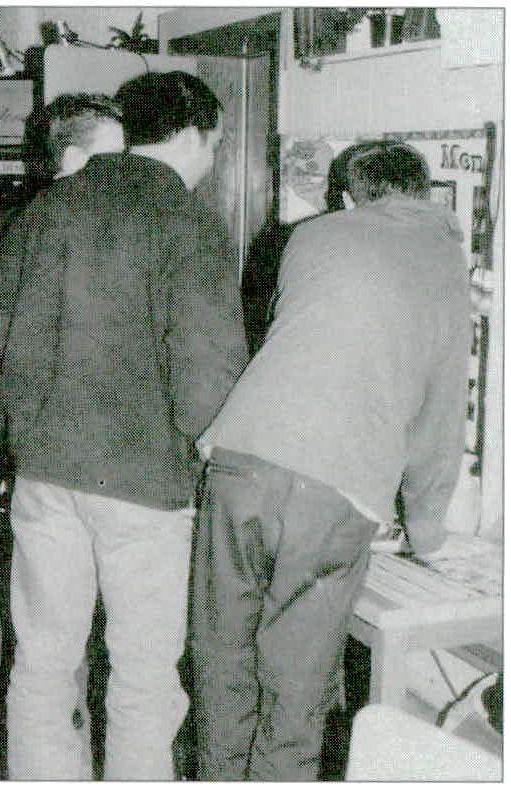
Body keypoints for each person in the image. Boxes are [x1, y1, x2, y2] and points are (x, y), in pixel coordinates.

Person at [0, 71, 247, 780]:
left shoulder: (52, 205)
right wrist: (203, 451)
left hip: (45, 472)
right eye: (215, 143)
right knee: (144, 676)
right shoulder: (187, 220)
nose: (212, 159)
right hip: (144, 485)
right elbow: (210, 370)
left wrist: (22, 426)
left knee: (41, 662)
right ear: (194, 135)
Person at [191, 141, 470, 780]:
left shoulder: (311, 237)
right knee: (296, 679)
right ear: (425, 192)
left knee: (222, 656)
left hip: (238, 457)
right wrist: (427, 529)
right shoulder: (443, 257)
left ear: (347, 197)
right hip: (334, 486)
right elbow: (442, 409)